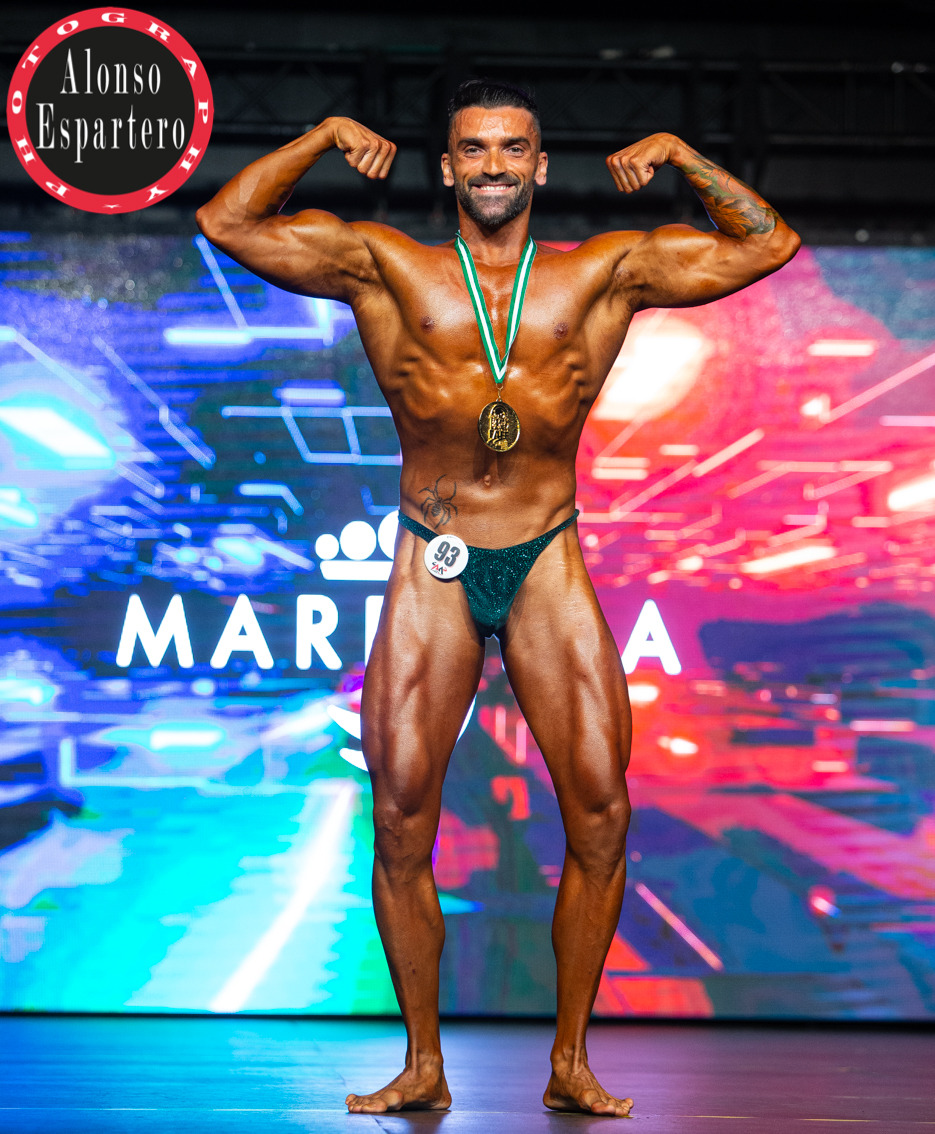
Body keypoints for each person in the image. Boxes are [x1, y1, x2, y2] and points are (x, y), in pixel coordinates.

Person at [196, 78, 800, 1117]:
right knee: (400, 820)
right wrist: (325, 135)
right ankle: (422, 1064)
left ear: (539, 164)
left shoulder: (601, 274)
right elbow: (227, 221)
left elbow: (766, 244)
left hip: (545, 552)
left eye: (510, 148)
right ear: (446, 167)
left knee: (601, 813)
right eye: (472, 148)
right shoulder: (386, 267)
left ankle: (568, 1062)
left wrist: (681, 155)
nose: (491, 165)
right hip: (431, 552)